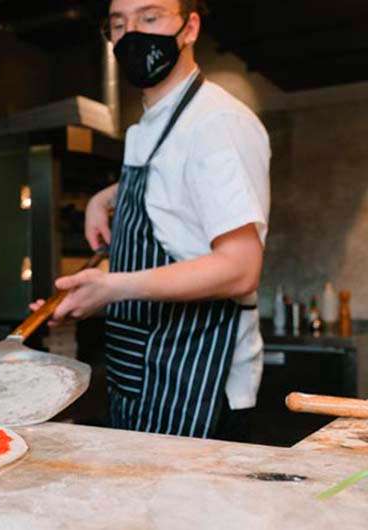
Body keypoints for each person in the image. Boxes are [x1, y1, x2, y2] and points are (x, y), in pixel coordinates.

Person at [31, 0, 270, 441]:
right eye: (119, 24)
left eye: (150, 17)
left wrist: (112, 287)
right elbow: (174, 189)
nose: (133, 34)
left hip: (197, 382)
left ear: (190, 27)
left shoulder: (217, 123)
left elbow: (240, 268)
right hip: (141, 376)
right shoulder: (151, 127)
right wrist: (109, 196)